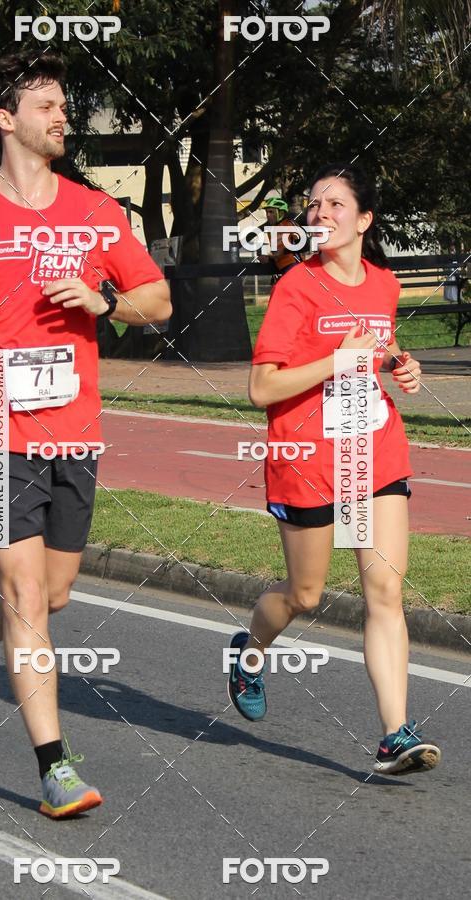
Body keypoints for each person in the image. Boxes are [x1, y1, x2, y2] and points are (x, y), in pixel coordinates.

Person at [0, 51, 171, 818]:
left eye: (62, 105)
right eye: (46, 105)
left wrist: (105, 301)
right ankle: (55, 769)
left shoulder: (95, 211)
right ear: (6, 119)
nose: (61, 116)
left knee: (53, 592)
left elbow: (157, 299)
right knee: (24, 592)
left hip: (72, 422)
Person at [227, 163, 441, 776]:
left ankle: (394, 734)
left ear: (364, 220)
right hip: (307, 458)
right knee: (305, 594)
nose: (320, 213)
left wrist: (400, 365)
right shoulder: (296, 286)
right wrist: (335, 361)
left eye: (335, 204)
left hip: (373, 450)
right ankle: (249, 652)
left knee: (386, 591)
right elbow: (261, 388)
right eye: (314, 204)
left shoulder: (384, 284)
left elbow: (379, 348)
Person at [258, 197, 302, 275]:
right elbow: (275, 253)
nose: (268, 215)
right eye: (267, 212)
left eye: (271, 212)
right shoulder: (270, 230)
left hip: (293, 265)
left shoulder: (289, 224)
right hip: (279, 268)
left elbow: (304, 245)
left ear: (281, 213)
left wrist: (283, 251)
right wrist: (266, 258)